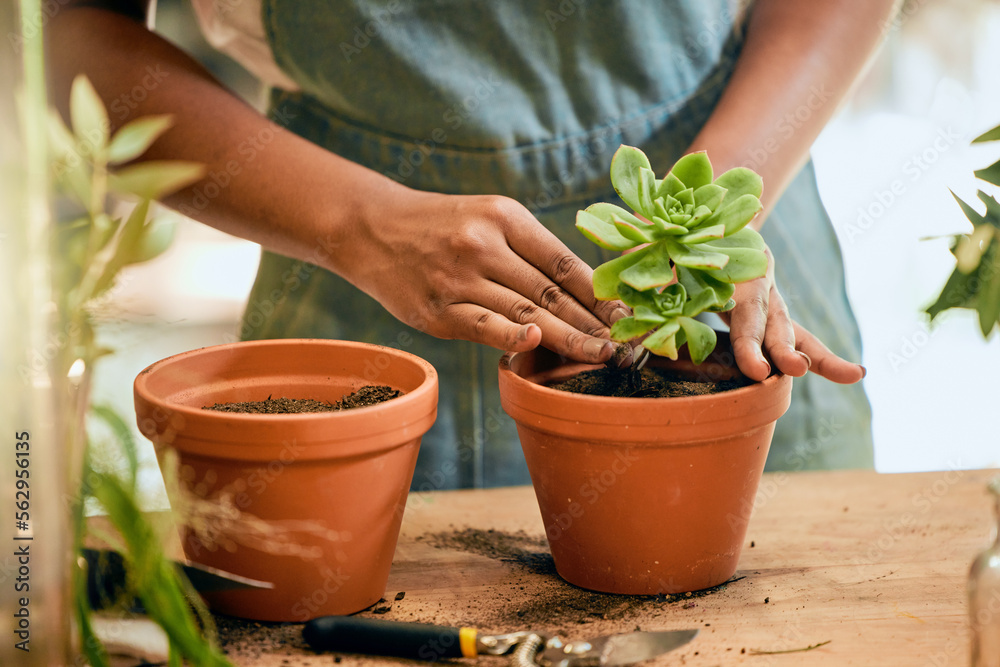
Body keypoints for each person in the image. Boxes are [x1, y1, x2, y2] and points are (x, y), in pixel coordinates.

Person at [50, 0, 896, 489]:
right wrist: (357, 224)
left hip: (734, 251)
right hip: (352, 279)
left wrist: (713, 217)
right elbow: (59, 33)